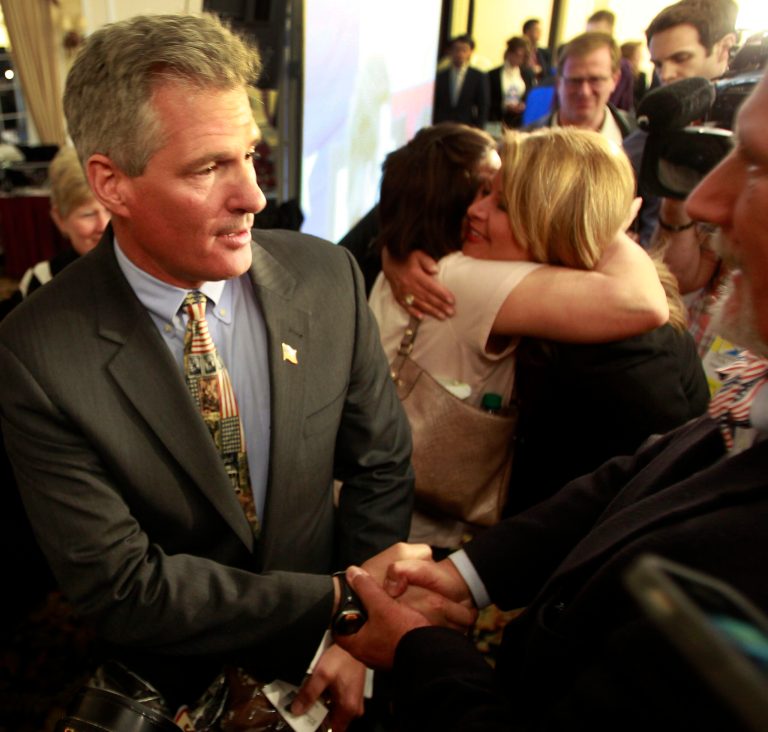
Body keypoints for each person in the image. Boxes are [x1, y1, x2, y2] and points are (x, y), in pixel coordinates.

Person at [0, 14, 414, 731]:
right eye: (207, 167)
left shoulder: (327, 278)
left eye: (251, 155)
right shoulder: (37, 354)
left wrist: (354, 633)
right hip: (176, 686)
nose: (253, 195)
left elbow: (381, 463)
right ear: (112, 184)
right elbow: (124, 588)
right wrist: (335, 608)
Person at [330, 70, 768, 731]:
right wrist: (469, 575)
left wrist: (422, 644)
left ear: (548, 226)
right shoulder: (583, 325)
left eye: (756, 164)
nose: (703, 201)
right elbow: (641, 475)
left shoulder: (618, 355)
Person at [371, 125, 675, 548]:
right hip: (427, 534)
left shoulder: (434, 264)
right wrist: (612, 225)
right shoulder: (460, 276)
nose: (475, 211)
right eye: (481, 192)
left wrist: (393, 253)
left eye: (503, 203)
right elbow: (643, 302)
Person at [0, 146, 110, 318]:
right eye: (87, 214)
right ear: (60, 219)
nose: (103, 225)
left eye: (110, 211)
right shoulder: (43, 280)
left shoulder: (152, 271)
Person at [526, 32, 637, 145]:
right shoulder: (523, 147)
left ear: (615, 80)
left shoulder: (639, 141)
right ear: (559, 82)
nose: (584, 92)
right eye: (575, 81)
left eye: (595, 80)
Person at [433, 34, 490, 129]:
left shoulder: (478, 76)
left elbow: (483, 104)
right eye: (456, 49)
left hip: (467, 124)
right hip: (442, 124)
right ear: (450, 51)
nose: (460, 53)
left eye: (464, 50)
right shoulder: (441, 76)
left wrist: (479, 128)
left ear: (470, 52)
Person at [585, 9, 636, 111]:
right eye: (589, 36)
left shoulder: (623, 68)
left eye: (599, 36)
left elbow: (620, 106)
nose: (592, 41)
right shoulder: (579, 65)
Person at [487, 38, 536, 129]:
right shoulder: (493, 74)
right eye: (517, 55)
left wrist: (523, 105)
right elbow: (488, 100)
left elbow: (530, 95)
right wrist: (505, 106)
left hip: (519, 121)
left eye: (522, 56)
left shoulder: (527, 74)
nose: (519, 59)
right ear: (509, 53)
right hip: (496, 120)